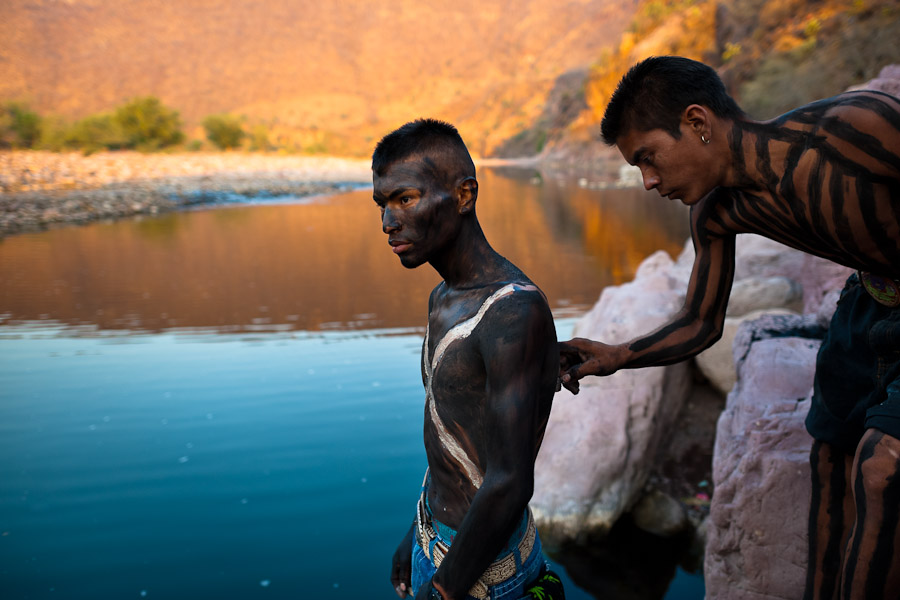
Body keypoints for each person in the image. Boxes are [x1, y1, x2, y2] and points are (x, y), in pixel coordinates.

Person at [559, 55, 900, 600]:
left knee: (881, 468)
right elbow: (701, 322)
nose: (647, 182)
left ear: (698, 123)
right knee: (830, 453)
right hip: (869, 300)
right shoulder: (716, 213)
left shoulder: (853, 130)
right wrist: (618, 354)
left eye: (648, 158)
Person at [373, 119, 564, 600]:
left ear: (463, 196)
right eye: (383, 204)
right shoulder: (443, 297)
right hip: (436, 543)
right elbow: (453, 431)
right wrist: (415, 532)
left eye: (405, 199)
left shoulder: (512, 311)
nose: (388, 223)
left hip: (484, 575)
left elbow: (509, 480)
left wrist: (443, 589)